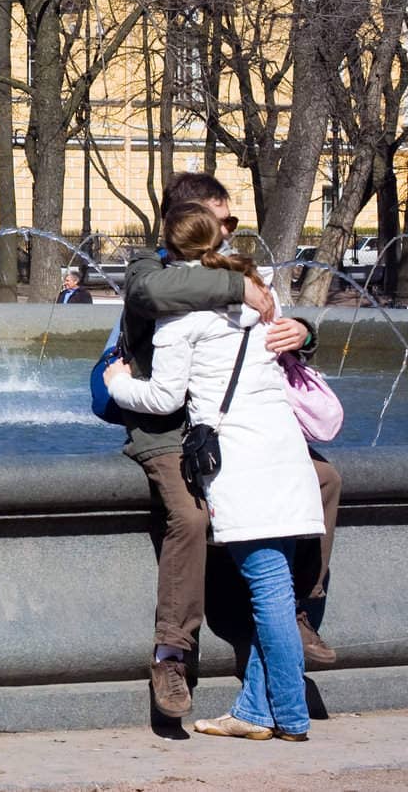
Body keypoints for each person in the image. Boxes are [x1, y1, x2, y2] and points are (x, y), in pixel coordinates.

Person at [114, 172, 339, 720]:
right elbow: (154, 295)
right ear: (185, 223)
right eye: (224, 222)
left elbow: (269, 332)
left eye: (233, 223)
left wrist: (302, 333)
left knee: (327, 479)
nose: (232, 232)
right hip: (168, 429)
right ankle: (172, 652)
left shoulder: (238, 271)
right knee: (190, 518)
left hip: (223, 423)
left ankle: (297, 611)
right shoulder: (149, 270)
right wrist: (240, 286)